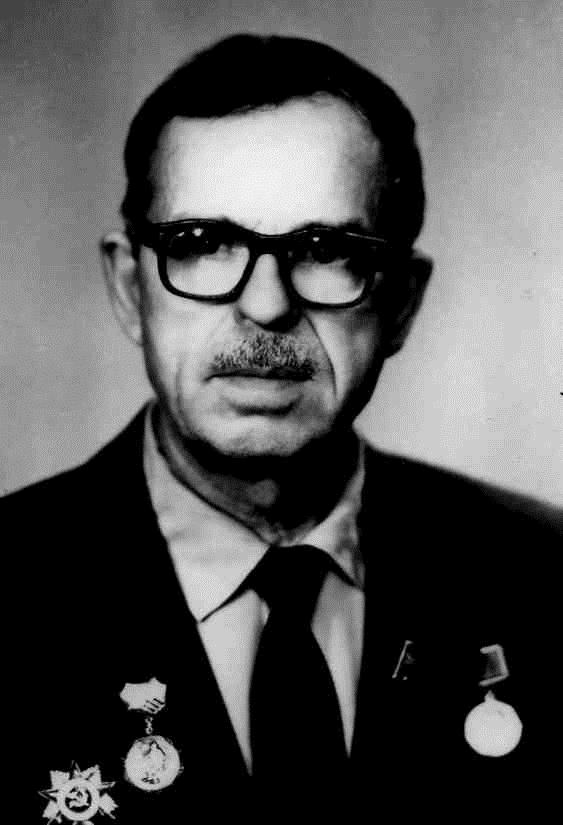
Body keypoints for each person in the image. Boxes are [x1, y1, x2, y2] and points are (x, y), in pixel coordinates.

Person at [3, 33, 560, 822]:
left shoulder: (544, 578)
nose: (265, 305)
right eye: (201, 244)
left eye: (325, 249)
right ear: (130, 287)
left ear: (402, 302)